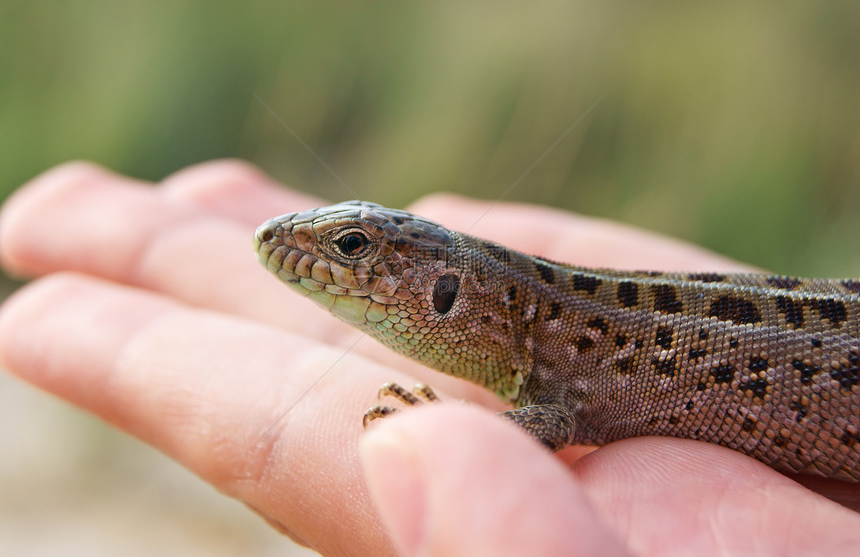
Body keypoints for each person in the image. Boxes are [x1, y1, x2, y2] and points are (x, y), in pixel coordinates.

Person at [1, 160, 858, 556]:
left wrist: (445, 424)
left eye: (349, 246)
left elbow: (542, 427)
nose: (305, 253)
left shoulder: (553, 384)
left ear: (446, 290)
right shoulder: (554, 344)